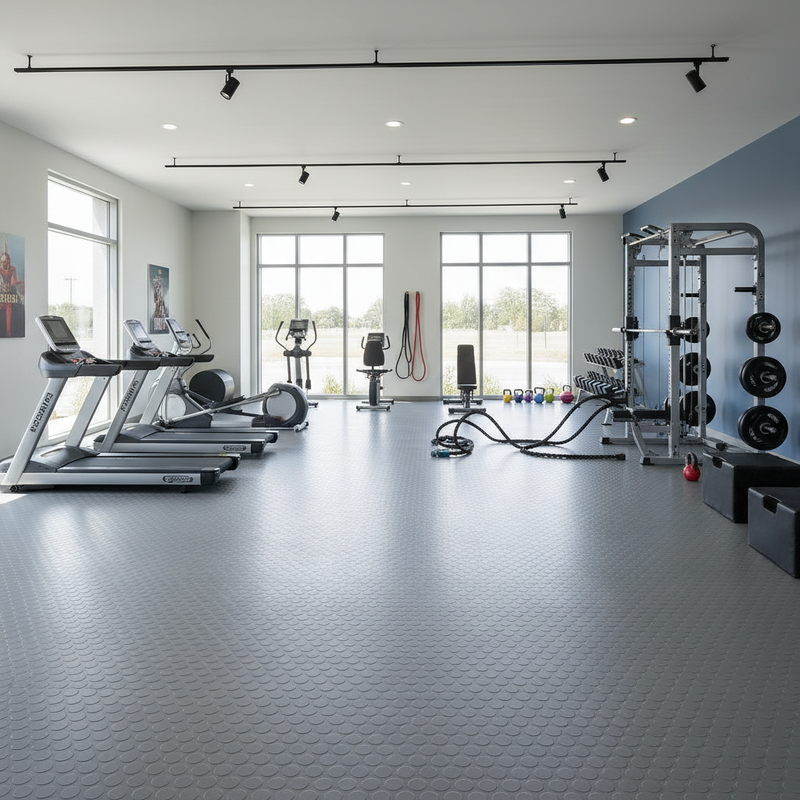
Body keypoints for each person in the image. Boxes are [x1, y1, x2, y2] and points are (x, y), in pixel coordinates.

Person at [0, 247, 23, 338]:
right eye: (1, 261)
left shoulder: (12, 269)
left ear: (8, 261)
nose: (2, 263)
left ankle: (8, 333)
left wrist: (23, 283)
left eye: (4, 261)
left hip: (9, 293)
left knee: (10, 309)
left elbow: (14, 282)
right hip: (2, 292)